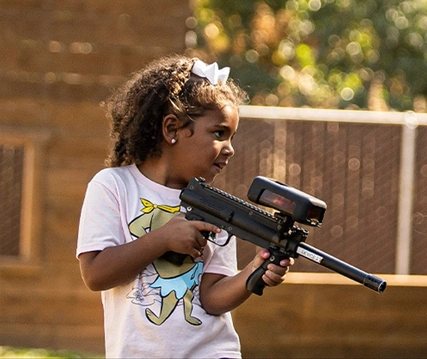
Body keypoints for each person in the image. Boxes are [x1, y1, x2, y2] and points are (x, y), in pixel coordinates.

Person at [76, 55, 294, 358]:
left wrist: (253, 272)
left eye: (232, 136)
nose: (230, 148)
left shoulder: (217, 206)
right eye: (219, 133)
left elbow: (212, 298)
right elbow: (96, 274)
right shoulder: (113, 186)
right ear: (172, 129)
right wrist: (162, 239)